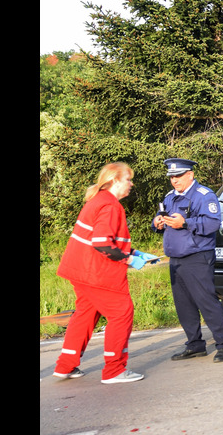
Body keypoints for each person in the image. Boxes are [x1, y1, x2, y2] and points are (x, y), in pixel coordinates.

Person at [53, 162, 145, 383]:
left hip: (81, 270)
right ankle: (115, 370)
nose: (131, 184)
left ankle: (66, 365)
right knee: (122, 313)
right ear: (114, 180)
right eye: (128, 179)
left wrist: (132, 251)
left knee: (85, 315)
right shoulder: (111, 205)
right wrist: (129, 259)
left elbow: (105, 239)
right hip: (98, 273)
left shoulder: (98, 200)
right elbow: (102, 243)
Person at [153, 158, 223, 363]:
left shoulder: (204, 196)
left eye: (178, 176)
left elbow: (213, 223)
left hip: (197, 256)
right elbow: (160, 218)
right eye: (171, 177)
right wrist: (157, 223)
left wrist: (186, 223)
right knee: (184, 305)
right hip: (176, 257)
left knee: (206, 302)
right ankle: (195, 345)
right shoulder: (170, 197)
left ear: (190, 175)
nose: (174, 180)